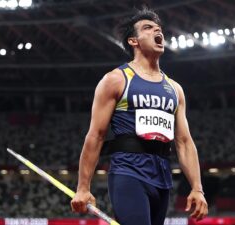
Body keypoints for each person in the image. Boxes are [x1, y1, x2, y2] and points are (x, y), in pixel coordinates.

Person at [70, 7, 208, 225]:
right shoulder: (116, 79)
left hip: (163, 177)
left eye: (158, 28)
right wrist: (83, 188)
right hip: (128, 173)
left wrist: (197, 189)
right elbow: (95, 135)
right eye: (148, 28)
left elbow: (183, 141)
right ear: (133, 41)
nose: (156, 30)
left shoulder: (174, 89)